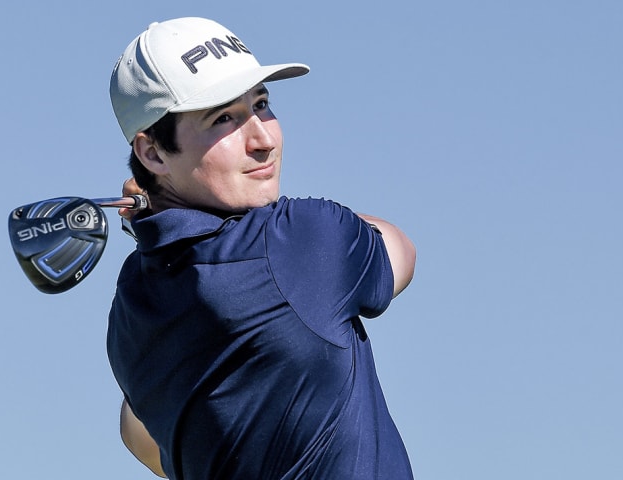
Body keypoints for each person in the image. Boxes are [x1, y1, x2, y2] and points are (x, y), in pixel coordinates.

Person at [106, 17, 417, 479]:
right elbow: (399, 249)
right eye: (223, 118)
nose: (264, 140)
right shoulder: (304, 240)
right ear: (152, 153)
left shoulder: (129, 311)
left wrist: (157, 215)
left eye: (262, 104)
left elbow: (139, 436)